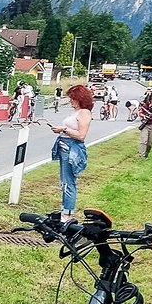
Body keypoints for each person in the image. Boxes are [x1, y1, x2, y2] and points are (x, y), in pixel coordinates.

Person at [49, 83, 94, 219]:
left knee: (69, 181)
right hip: (64, 146)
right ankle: (65, 209)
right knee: (64, 181)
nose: (71, 101)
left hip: (72, 148)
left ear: (80, 98)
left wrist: (64, 129)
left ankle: (68, 213)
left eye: (73, 98)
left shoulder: (84, 113)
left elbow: (81, 135)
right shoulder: (76, 112)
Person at [136, 89, 152, 157]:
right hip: (145, 125)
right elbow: (140, 112)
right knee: (144, 141)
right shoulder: (146, 105)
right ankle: (141, 155)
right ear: (151, 97)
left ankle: (146, 154)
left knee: (149, 143)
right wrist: (144, 116)